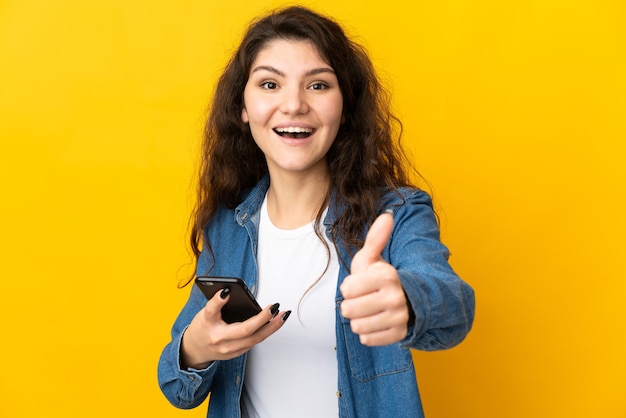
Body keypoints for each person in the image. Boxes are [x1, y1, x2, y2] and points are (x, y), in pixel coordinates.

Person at [158, 6, 475, 418]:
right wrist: (194, 349)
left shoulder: (396, 214)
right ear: (243, 108)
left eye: (318, 85)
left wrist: (407, 299)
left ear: (345, 107)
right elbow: (176, 387)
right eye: (270, 84)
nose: (293, 105)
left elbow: (454, 306)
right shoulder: (227, 224)